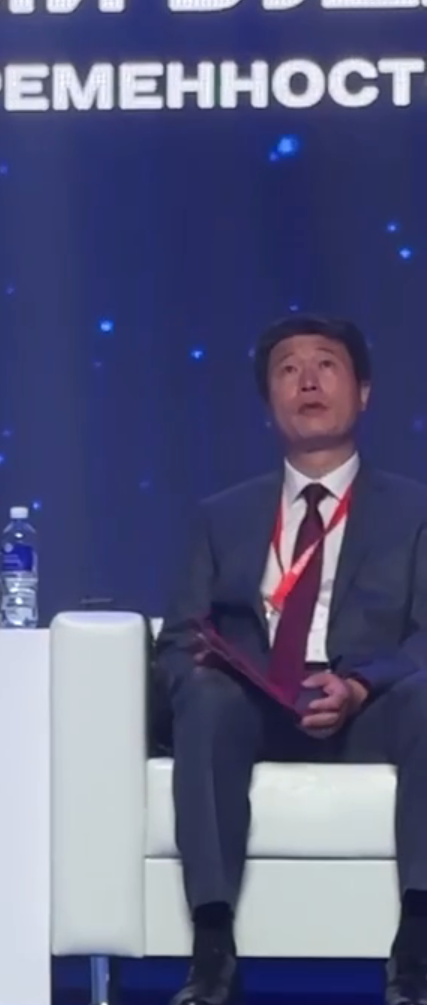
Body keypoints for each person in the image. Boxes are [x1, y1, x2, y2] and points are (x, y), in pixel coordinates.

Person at [153, 315, 427, 1005]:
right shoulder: (221, 517)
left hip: (371, 707)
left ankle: (418, 949)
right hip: (255, 706)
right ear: (268, 400)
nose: (307, 380)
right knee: (204, 699)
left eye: (326, 364)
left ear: (363, 392)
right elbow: (178, 640)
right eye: (287, 369)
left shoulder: (415, 511)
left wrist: (359, 684)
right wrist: (213, 673)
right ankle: (212, 951)